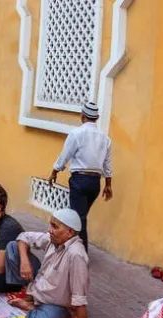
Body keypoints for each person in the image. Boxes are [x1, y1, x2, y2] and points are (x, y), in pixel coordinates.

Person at [6, 208, 90, 318]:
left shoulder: (76, 255)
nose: (49, 230)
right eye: (51, 225)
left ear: (70, 232)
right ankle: (32, 300)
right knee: (13, 246)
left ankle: (32, 307)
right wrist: (24, 261)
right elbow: (23, 237)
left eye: (55, 227)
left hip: (57, 304)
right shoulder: (54, 239)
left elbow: (80, 297)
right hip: (41, 286)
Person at [48, 100, 112, 248]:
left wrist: (54, 173)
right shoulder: (105, 138)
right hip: (95, 183)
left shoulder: (77, 133)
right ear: (96, 117)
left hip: (80, 180)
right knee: (79, 217)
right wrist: (108, 185)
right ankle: (70, 246)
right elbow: (107, 165)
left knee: (78, 219)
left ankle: (80, 252)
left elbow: (65, 156)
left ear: (83, 116)